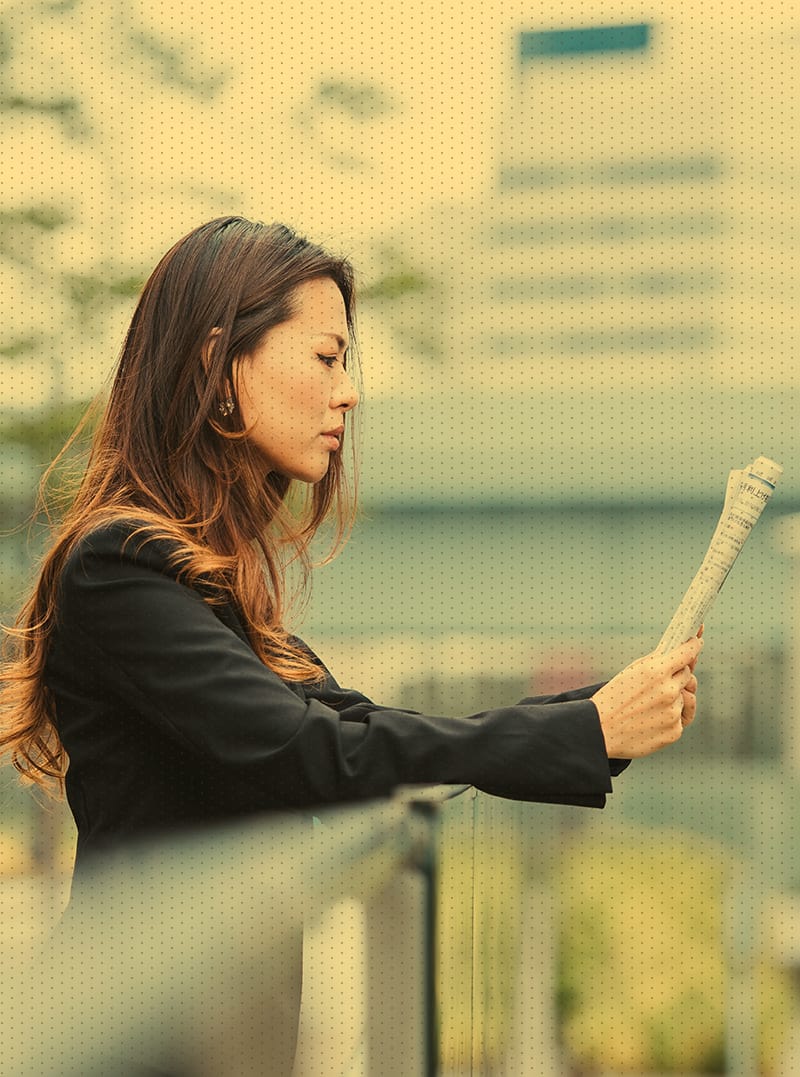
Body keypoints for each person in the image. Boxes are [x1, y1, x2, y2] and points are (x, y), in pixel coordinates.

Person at [0, 215, 699, 1073]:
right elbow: (311, 751)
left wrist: (589, 716)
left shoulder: (206, 584)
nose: (349, 392)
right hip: (134, 1038)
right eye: (327, 358)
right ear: (220, 362)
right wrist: (585, 731)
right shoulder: (120, 568)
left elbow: (355, 727)